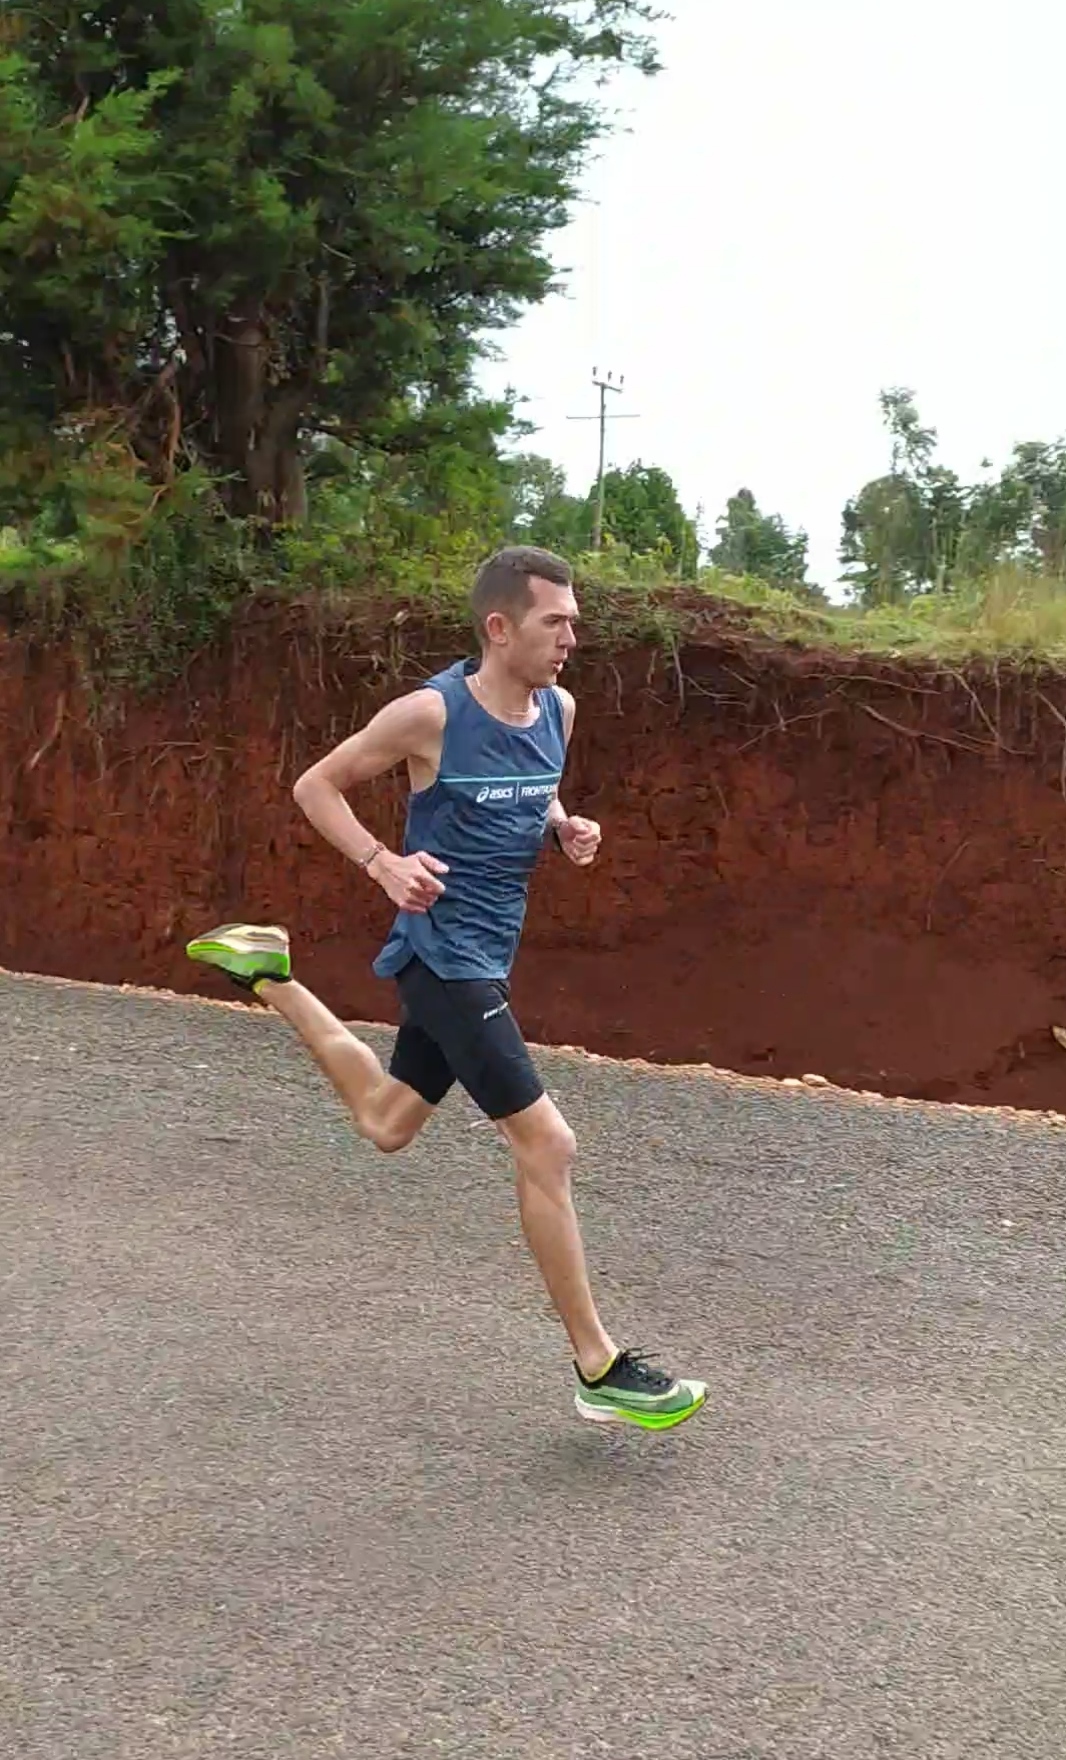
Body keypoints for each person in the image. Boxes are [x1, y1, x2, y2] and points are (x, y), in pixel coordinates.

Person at [187, 545, 705, 1431]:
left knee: (388, 1122)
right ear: (499, 628)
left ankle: (271, 974)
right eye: (555, 623)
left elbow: (530, 787)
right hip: (443, 958)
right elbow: (317, 786)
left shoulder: (559, 709)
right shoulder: (430, 714)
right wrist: (382, 863)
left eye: (575, 622)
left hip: (488, 954)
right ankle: (599, 1366)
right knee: (547, 1145)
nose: (571, 639)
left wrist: (561, 826)